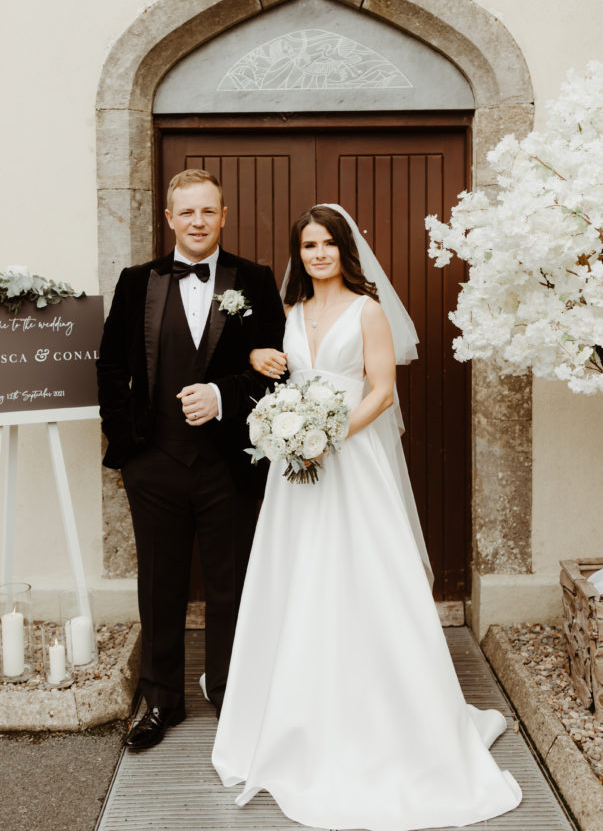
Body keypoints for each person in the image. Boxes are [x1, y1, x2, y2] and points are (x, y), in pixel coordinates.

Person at [212, 204, 522, 830]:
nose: (318, 254)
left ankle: (397, 715)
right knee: (298, 579)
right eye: (308, 245)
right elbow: (277, 375)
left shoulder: (368, 310)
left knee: (367, 576)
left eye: (327, 244)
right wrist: (275, 403)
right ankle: (294, 712)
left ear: (344, 250)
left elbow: (382, 391)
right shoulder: (291, 313)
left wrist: (329, 436)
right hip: (295, 469)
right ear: (298, 254)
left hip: (350, 460)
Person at [96, 169, 285, 751]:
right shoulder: (137, 282)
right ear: (169, 219)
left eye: (208, 212)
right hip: (152, 464)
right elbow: (109, 367)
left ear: (223, 216)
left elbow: (277, 367)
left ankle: (231, 694)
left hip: (228, 464)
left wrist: (224, 394)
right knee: (160, 584)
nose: (198, 222)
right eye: (187, 213)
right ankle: (160, 700)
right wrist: (127, 444)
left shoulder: (253, 279)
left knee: (230, 585)